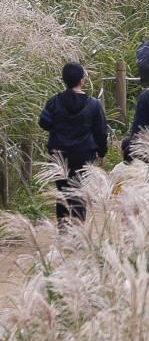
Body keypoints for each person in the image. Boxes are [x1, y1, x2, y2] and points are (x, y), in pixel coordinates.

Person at [38, 62, 108, 222]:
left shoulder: (54, 101)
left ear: (64, 79)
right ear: (82, 80)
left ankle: (63, 230)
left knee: (62, 193)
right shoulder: (94, 104)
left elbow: (44, 123)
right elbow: (101, 131)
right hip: (83, 155)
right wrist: (102, 152)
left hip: (58, 154)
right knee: (79, 192)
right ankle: (78, 231)